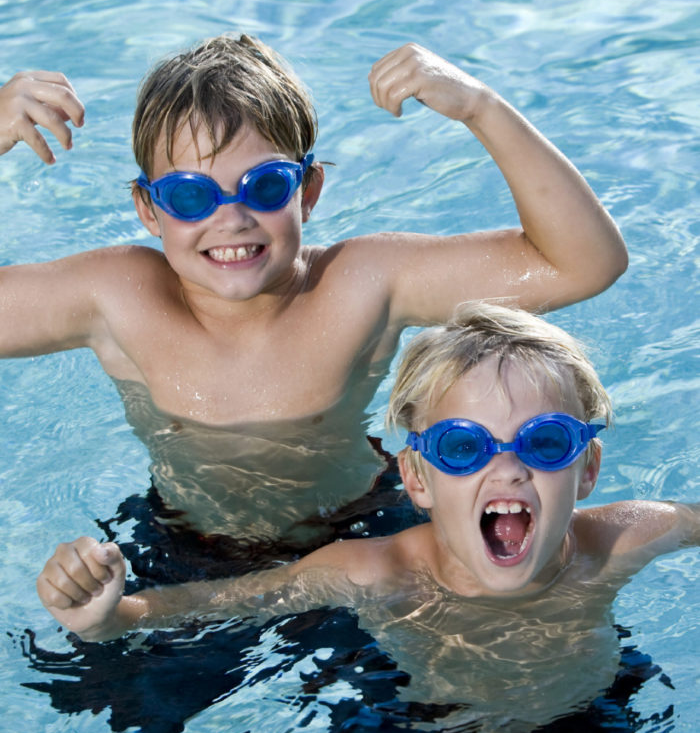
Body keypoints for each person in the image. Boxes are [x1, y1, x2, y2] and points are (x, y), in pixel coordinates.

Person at [1, 36, 627, 561]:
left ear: (309, 191)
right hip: (184, 544)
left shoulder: (361, 284)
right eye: (192, 195)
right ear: (148, 209)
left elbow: (583, 264)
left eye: (265, 185)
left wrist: (481, 108)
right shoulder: (119, 298)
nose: (232, 218)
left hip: (364, 533)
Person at [38, 303, 698, 683]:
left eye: (545, 441)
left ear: (586, 470)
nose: (510, 469)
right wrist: (113, 617)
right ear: (416, 478)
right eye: (464, 447)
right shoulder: (374, 572)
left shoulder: (619, 540)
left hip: (586, 724)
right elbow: (222, 602)